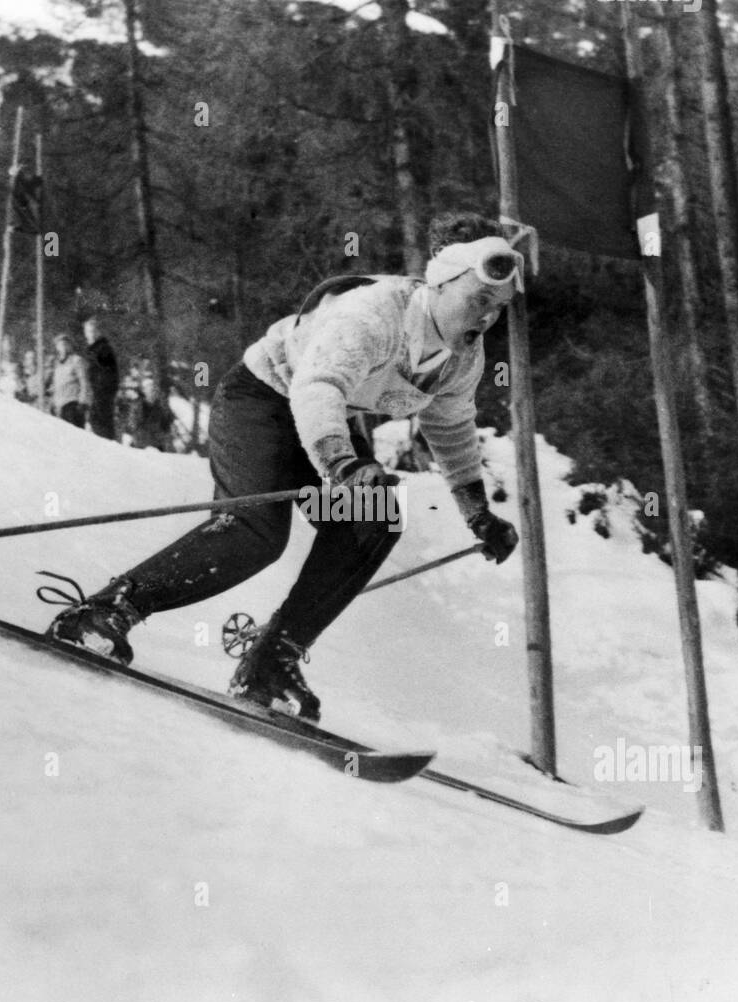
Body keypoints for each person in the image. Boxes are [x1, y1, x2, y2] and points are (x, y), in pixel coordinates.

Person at [46, 212, 521, 720]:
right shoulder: (375, 313)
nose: (487, 318)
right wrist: (342, 465)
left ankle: (272, 660)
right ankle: (105, 610)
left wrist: (477, 512)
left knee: (373, 518)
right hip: (264, 401)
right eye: (480, 300)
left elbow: (449, 428)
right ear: (441, 284)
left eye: (497, 308)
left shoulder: (462, 356)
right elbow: (318, 388)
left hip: (330, 423)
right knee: (256, 532)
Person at [83, 315, 120, 440]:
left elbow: (108, 373)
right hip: (98, 392)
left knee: (101, 423)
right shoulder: (94, 349)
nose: (90, 335)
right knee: (96, 421)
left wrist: (101, 388)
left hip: (102, 392)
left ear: (98, 332)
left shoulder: (103, 348)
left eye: (93, 331)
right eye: (88, 332)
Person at [52, 333, 91, 428]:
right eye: (61, 345)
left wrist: (83, 401)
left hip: (73, 403)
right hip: (60, 405)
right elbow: (56, 385)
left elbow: (84, 381)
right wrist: (54, 402)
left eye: (66, 344)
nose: (64, 347)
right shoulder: (57, 364)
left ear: (70, 346)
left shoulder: (77, 361)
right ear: (57, 347)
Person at [129, 370, 175, 451]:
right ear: (144, 392)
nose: (152, 393)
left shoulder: (161, 407)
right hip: (140, 444)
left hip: (157, 445)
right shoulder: (138, 406)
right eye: (149, 390)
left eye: (154, 390)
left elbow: (168, 424)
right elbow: (133, 424)